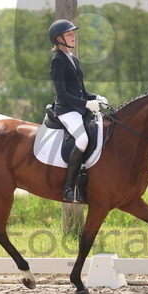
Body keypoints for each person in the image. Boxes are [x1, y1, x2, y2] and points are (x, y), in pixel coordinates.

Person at [48, 19, 108, 202]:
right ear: (59, 39)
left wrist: (96, 97)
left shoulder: (73, 59)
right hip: (66, 110)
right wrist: (86, 104)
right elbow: (63, 94)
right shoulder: (58, 61)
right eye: (69, 34)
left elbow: (81, 91)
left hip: (79, 108)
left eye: (73, 33)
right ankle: (68, 187)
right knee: (82, 139)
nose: (73, 36)